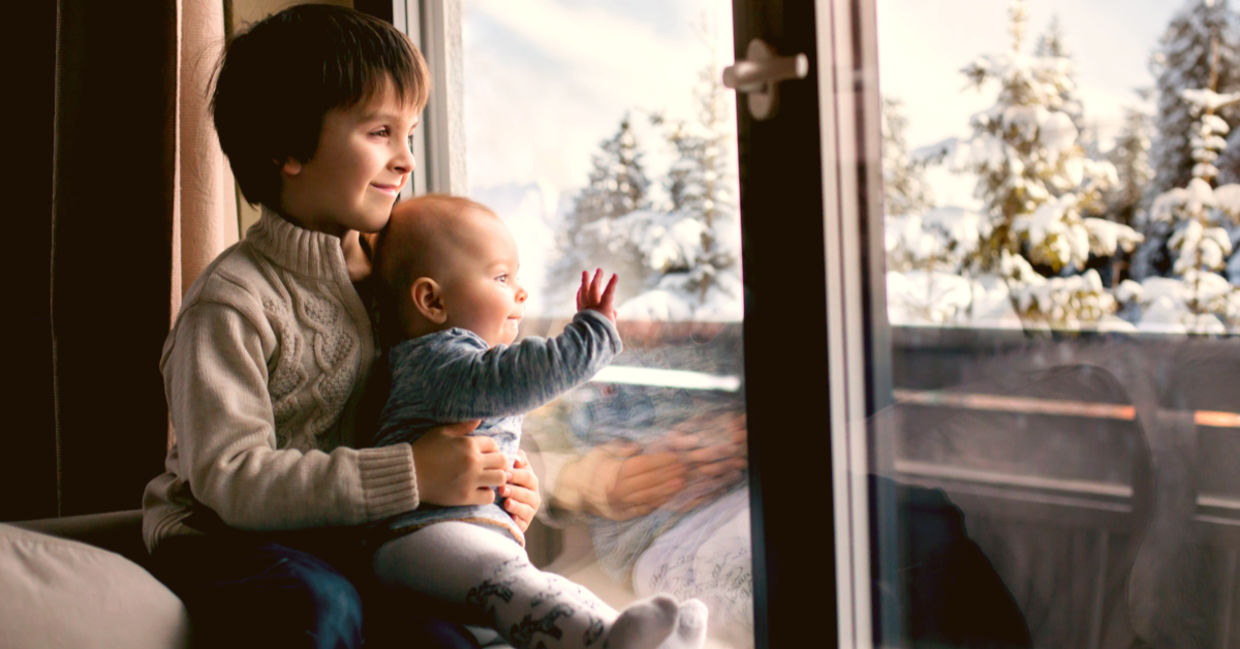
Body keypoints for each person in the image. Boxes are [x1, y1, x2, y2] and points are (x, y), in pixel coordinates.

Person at [140, 6, 540, 648]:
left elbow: (443, 403)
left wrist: (495, 477)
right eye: (380, 131)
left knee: (448, 636)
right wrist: (413, 473)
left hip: (361, 533)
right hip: (224, 536)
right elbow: (233, 481)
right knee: (319, 606)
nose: (406, 159)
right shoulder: (233, 303)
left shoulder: (404, 286)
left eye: (411, 133)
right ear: (288, 148)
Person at [363, 194, 710, 649]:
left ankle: (656, 641)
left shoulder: (454, 370)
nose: (521, 291)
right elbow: (520, 375)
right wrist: (591, 333)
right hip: (418, 541)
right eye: (502, 277)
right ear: (432, 300)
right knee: (519, 588)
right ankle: (606, 642)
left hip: (468, 542)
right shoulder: (436, 361)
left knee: (545, 593)